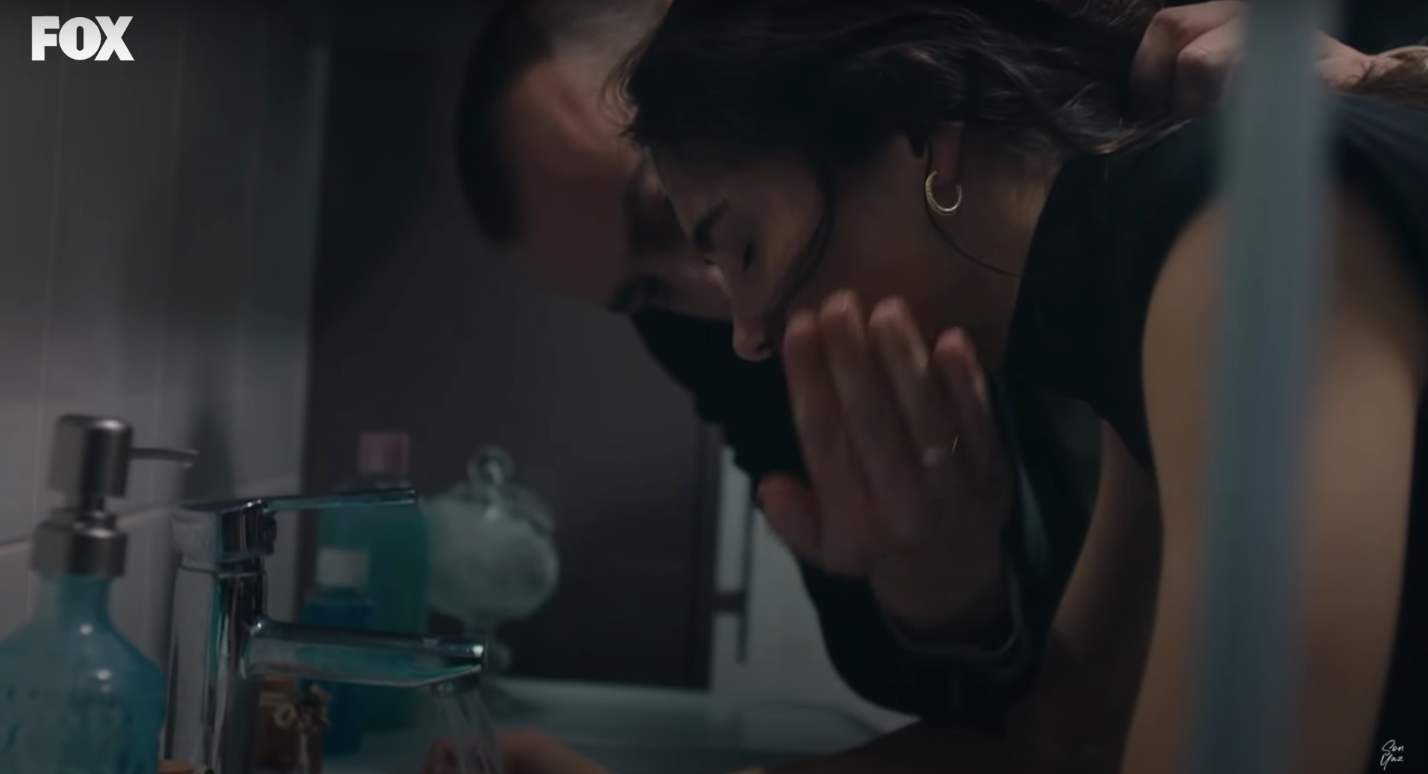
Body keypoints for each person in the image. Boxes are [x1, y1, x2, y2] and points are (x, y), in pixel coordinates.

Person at [450, 2, 1419, 772]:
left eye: (737, 246)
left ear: (917, 124)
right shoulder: (1127, 298)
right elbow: (1063, 742)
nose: (742, 337)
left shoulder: (1221, 229)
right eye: (654, 292)